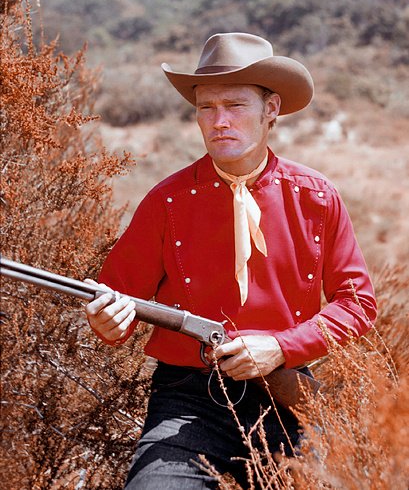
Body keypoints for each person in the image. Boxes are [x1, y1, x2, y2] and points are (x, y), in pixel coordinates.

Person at [85, 32, 377, 489]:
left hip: (290, 397)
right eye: (207, 107)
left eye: (235, 106)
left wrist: (282, 348)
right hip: (187, 402)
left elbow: (358, 303)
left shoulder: (318, 197)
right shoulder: (167, 201)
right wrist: (108, 323)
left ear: (272, 109)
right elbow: (116, 299)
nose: (219, 121)